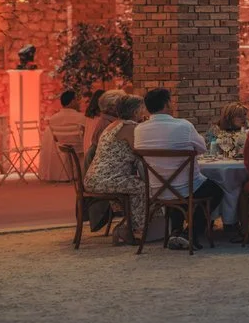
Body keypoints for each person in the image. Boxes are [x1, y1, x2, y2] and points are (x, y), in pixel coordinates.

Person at [131, 88, 223, 249]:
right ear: (167, 104)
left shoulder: (139, 130)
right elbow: (202, 149)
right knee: (216, 190)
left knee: (175, 188)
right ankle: (191, 233)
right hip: (187, 188)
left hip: (157, 189)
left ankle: (175, 231)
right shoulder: (183, 126)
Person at [81, 93, 148, 245]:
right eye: (142, 109)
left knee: (137, 184)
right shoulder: (129, 128)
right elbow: (140, 152)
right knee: (144, 187)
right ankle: (134, 231)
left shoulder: (113, 125)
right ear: (136, 112)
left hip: (95, 178)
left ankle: (128, 225)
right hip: (106, 180)